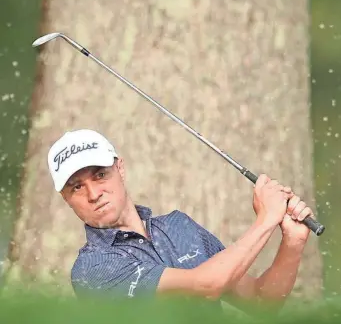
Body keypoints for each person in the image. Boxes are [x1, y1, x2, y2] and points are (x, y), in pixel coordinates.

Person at [47, 129, 315, 310]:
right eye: (77, 187)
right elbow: (205, 286)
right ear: (65, 197)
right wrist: (266, 220)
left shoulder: (179, 227)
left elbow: (260, 302)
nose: (93, 194)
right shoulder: (92, 268)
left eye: (100, 175)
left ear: (120, 168)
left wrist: (292, 241)